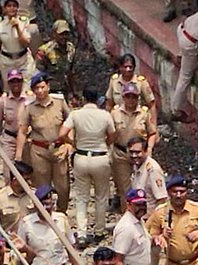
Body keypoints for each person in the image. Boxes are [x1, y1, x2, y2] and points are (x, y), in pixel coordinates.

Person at [60, 88, 115, 246]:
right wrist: (104, 143)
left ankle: (82, 233)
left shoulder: (76, 114)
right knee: (101, 196)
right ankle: (99, 230)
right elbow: (112, 134)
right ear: (97, 99)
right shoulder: (105, 115)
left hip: (81, 156)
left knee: (81, 197)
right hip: (100, 156)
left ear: (83, 99)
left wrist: (73, 143)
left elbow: (62, 133)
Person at [15, 73, 71, 212]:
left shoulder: (59, 102)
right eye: (36, 88)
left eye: (42, 87)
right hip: (39, 150)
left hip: (59, 149)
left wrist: (70, 144)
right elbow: (22, 131)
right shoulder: (30, 107)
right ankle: (43, 214)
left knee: (63, 187)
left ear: (48, 87)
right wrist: (19, 154)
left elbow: (70, 123)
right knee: (41, 187)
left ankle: (61, 213)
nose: (40, 91)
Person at [109, 82, 156, 206]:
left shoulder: (144, 113)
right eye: (128, 96)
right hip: (121, 154)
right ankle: (127, 212)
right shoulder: (115, 114)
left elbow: (152, 133)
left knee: (142, 186)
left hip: (140, 154)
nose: (131, 100)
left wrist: (149, 149)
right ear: (123, 97)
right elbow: (109, 133)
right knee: (125, 189)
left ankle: (142, 213)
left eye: (134, 97)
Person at [0, 0, 38, 92]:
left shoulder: (24, 21)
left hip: (23, 60)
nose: (12, 8)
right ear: (5, 8)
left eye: (14, 6)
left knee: (26, 89)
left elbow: (26, 43)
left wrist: (17, 27)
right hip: (6, 61)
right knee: (8, 90)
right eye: (9, 6)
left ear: (17, 8)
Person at [35, 19, 76, 99]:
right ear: (54, 34)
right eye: (61, 34)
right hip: (50, 91)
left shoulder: (71, 49)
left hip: (65, 90)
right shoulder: (45, 51)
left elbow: (71, 72)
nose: (64, 37)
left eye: (66, 34)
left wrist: (73, 92)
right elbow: (39, 74)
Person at [0, 169, 30, 240]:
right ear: (15, 180)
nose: (30, 183)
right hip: (9, 241)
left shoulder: (33, 196)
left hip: (32, 241)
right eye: (26, 180)